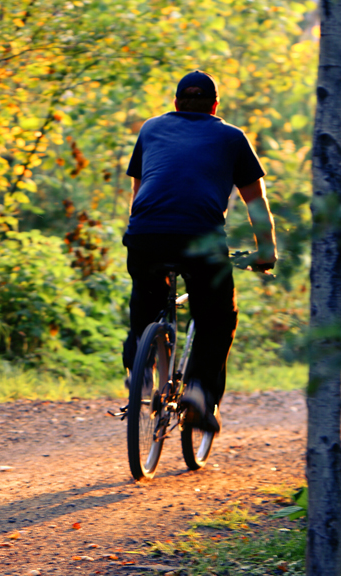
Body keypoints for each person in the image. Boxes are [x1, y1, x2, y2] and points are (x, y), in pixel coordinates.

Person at [122, 70, 277, 434]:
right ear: (215, 106)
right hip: (201, 239)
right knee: (217, 318)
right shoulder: (232, 137)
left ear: (175, 104)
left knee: (145, 302)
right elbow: (256, 202)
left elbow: (138, 194)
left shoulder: (151, 129)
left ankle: (139, 370)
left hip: (145, 234)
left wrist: (145, 235)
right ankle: (199, 395)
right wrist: (265, 253)